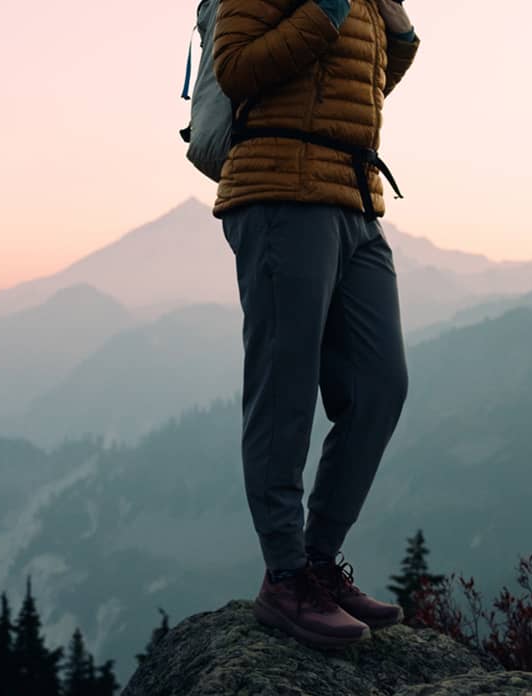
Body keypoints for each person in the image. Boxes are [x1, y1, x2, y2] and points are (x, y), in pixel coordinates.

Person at [213, 0, 420, 650]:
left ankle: (319, 563)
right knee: (286, 391)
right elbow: (235, 69)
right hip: (281, 189)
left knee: (380, 386)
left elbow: (363, 84)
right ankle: (285, 577)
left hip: (354, 196)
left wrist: (399, 27)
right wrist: (326, 12)